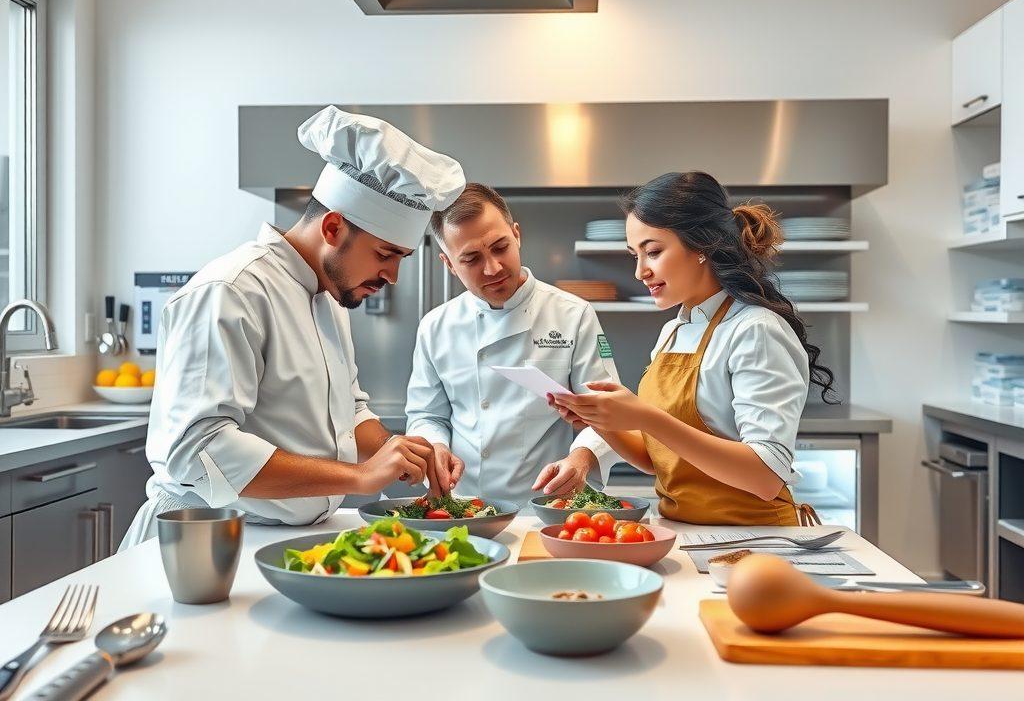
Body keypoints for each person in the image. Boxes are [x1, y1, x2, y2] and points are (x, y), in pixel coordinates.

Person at [121, 106, 467, 548]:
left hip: (280, 538)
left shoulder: (330, 299)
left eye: (401, 258)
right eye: (385, 255)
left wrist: (397, 450)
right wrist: (360, 476)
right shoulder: (232, 291)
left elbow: (349, 411)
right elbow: (198, 450)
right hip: (206, 540)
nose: (393, 277)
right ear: (333, 227)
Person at [550, 171, 838, 526]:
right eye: (634, 255)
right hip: (684, 530)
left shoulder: (756, 329)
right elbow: (660, 459)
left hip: (756, 538)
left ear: (702, 245)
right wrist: (604, 422)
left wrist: (644, 416)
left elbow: (765, 476)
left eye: (653, 251)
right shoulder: (674, 330)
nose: (640, 272)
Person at [404, 183, 621, 505]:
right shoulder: (436, 326)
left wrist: (584, 457)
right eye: (471, 259)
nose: (492, 268)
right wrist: (436, 446)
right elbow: (427, 415)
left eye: (500, 247)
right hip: (461, 505)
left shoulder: (573, 314)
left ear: (516, 235)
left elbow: (608, 410)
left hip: (545, 506)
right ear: (448, 264)